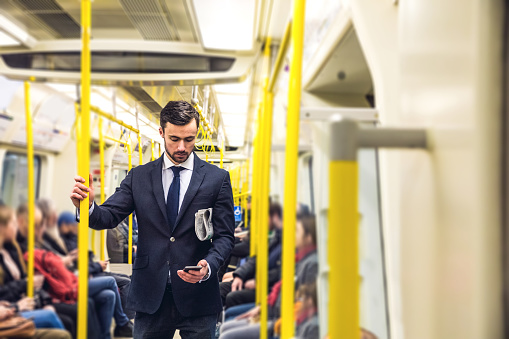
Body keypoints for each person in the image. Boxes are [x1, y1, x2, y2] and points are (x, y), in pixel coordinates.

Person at [71, 100, 235, 338]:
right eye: (174, 139)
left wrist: (209, 265)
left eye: (189, 139)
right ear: (161, 133)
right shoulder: (139, 176)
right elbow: (107, 217)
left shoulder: (216, 179)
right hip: (151, 295)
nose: (182, 147)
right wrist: (86, 206)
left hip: (198, 296)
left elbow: (225, 237)